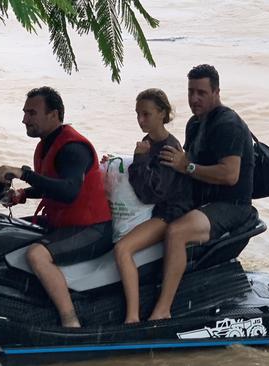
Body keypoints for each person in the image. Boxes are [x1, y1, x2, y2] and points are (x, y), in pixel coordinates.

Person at [0, 86, 113, 328]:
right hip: (61, 222)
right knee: (5, 230)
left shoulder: (73, 148)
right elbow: (51, 185)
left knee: (36, 255)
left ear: (54, 115)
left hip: (92, 228)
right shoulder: (46, 143)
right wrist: (21, 194)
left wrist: (24, 174)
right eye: (25, 112)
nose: (24, 119)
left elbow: (68, 191)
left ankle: (70, 321)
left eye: (32, 113)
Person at [151, 64, 255, 320]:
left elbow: (230, 175)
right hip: (202, 199)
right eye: (190, 92)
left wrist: (187, 166)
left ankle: (162, 310)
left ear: (216, 92)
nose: (194, 99)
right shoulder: (194, 124)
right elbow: (183, 161)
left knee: (176, 232)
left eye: (201, 92)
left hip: (231, 205)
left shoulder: (227, 124)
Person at [109, 88, 192, 324]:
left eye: (146, 114)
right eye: (137, 114)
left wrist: (140, 159)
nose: (140, 120)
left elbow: (151, 193)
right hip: (154, 209)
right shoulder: (148, 142)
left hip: (170, 213)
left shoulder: (169, 148)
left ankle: (133, 317)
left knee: (123, 249)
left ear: (162, 114)